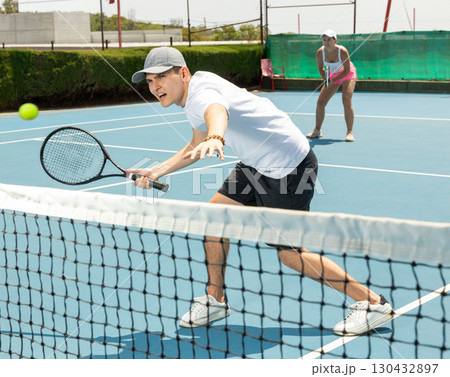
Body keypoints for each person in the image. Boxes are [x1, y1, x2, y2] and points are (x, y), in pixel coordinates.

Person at [129, 47, 393, 335]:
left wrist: (217, 135)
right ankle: (216, 299)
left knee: (290, 254)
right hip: (257, 163)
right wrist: (157, 171)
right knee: (212, 221)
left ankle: (372, 303)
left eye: (162, 77)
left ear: (182, 73)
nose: (155, 86)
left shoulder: (202, 93)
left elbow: (216, 112)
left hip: (289, 167)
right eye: (150, 81)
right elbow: (196, 142)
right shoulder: (190, 97)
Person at [307, 30, 357, 142]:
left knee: (346, 100)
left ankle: (350, 132)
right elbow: (321, 69)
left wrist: (333, 80)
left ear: (335, 40)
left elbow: (347, 70)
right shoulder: (320, 52)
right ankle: (317, 130)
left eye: (329, 39)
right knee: (320, 102)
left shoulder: (342, 51)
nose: (326, 42)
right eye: (324, 40)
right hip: (332, 75)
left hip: (348, 74)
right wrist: (326, 78)